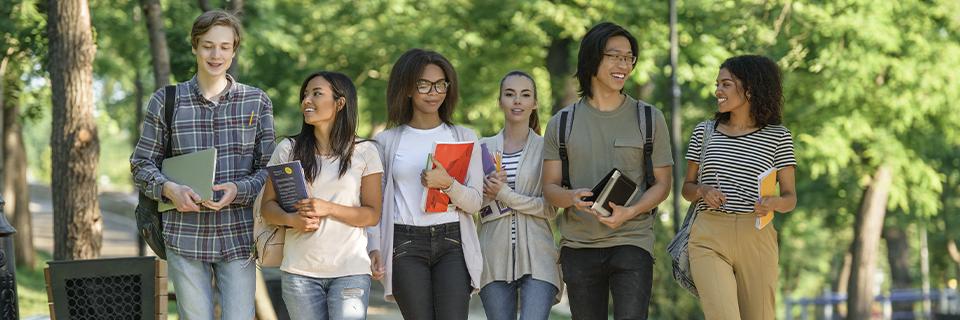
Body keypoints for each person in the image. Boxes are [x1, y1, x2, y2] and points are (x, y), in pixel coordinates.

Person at [130, 10, 275, 319]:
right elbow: (141, 163)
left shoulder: (257, 102)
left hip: (238, 235)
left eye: (224, 46)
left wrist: (238, 190)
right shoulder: (166, 101)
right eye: (208, 45)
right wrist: (170, 189)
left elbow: (268, 171)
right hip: (184, 235)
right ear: (195, 46)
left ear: (234, 50)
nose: (216, 54)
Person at [541, 22, 674, 319]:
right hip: (579, 246)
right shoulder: (561, 124)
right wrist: (572, 197)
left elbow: (663, 184)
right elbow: (549, 188)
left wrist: (631, 211)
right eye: (615, 56)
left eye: (629, 58)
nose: (623, 65)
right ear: (592, 58)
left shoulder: (649, 119)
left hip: (632, 240)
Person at [366, 48, 484, 320]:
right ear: (407, 88)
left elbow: (475, 202)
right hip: (404, 244)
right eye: (424, 85)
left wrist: (448, 184)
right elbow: (377, 202)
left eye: (441, 84)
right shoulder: (386, 142)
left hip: (452, 241)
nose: (434, 92)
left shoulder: (464, 136)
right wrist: (373, 246)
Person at [259, 71, 383, 320]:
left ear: (340, 102)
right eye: (305, 95)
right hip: (299, 273)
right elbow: (267, 208)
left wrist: (328, 208)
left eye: (316, 94)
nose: (307, 100)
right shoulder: (288, 150)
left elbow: (372, 215)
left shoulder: (365, 152)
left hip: (350, 271)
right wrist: (293, 220)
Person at [682, 54, 797, 320]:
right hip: (709, 234)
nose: (717, 91)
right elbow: (687, 188)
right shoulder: (704, 132)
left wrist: (774, 202)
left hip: (757, 235)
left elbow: (790, 198)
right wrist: (702, 191)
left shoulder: (778, 136)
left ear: (750, 88)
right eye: (717, 84)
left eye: (726, 85)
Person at [477, 71, 561, 320]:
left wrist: (505, 194)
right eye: (510, 94)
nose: (517, 101)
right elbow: (470, 206)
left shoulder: (547, 148)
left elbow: (550, 208)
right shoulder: (481, 147)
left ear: (534, 103)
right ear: (500, 101)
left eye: (525, 95)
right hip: (492, 257)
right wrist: (485, 193)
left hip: (539, 258)